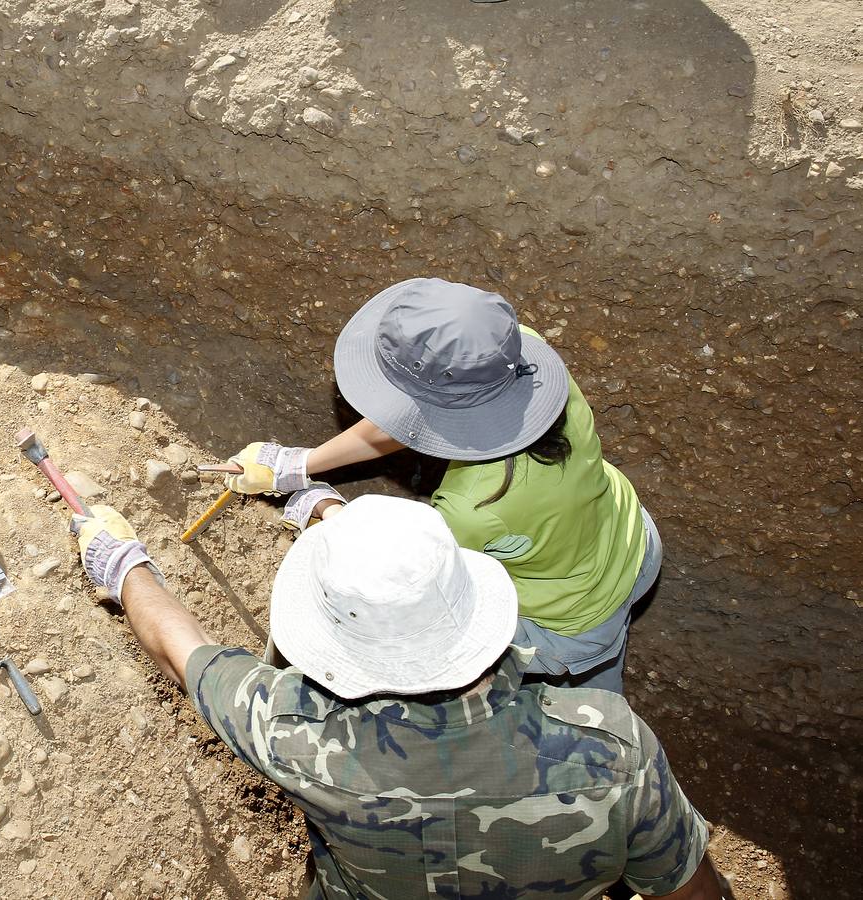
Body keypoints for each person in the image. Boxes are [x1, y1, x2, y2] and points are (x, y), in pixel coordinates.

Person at [70, 494, 729, 900]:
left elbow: (183, 654)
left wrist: (125, 568)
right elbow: (691, 892)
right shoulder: (610, 747)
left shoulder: (297, 735)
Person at [224, 277, 657, 693]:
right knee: (599, 679)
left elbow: (403, 575)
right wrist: (303, 463)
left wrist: (329, 513)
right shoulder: (513, 354)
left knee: (577, 710)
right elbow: (420, 414)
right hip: (628, 538)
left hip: (564, 623)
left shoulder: (475, 505)